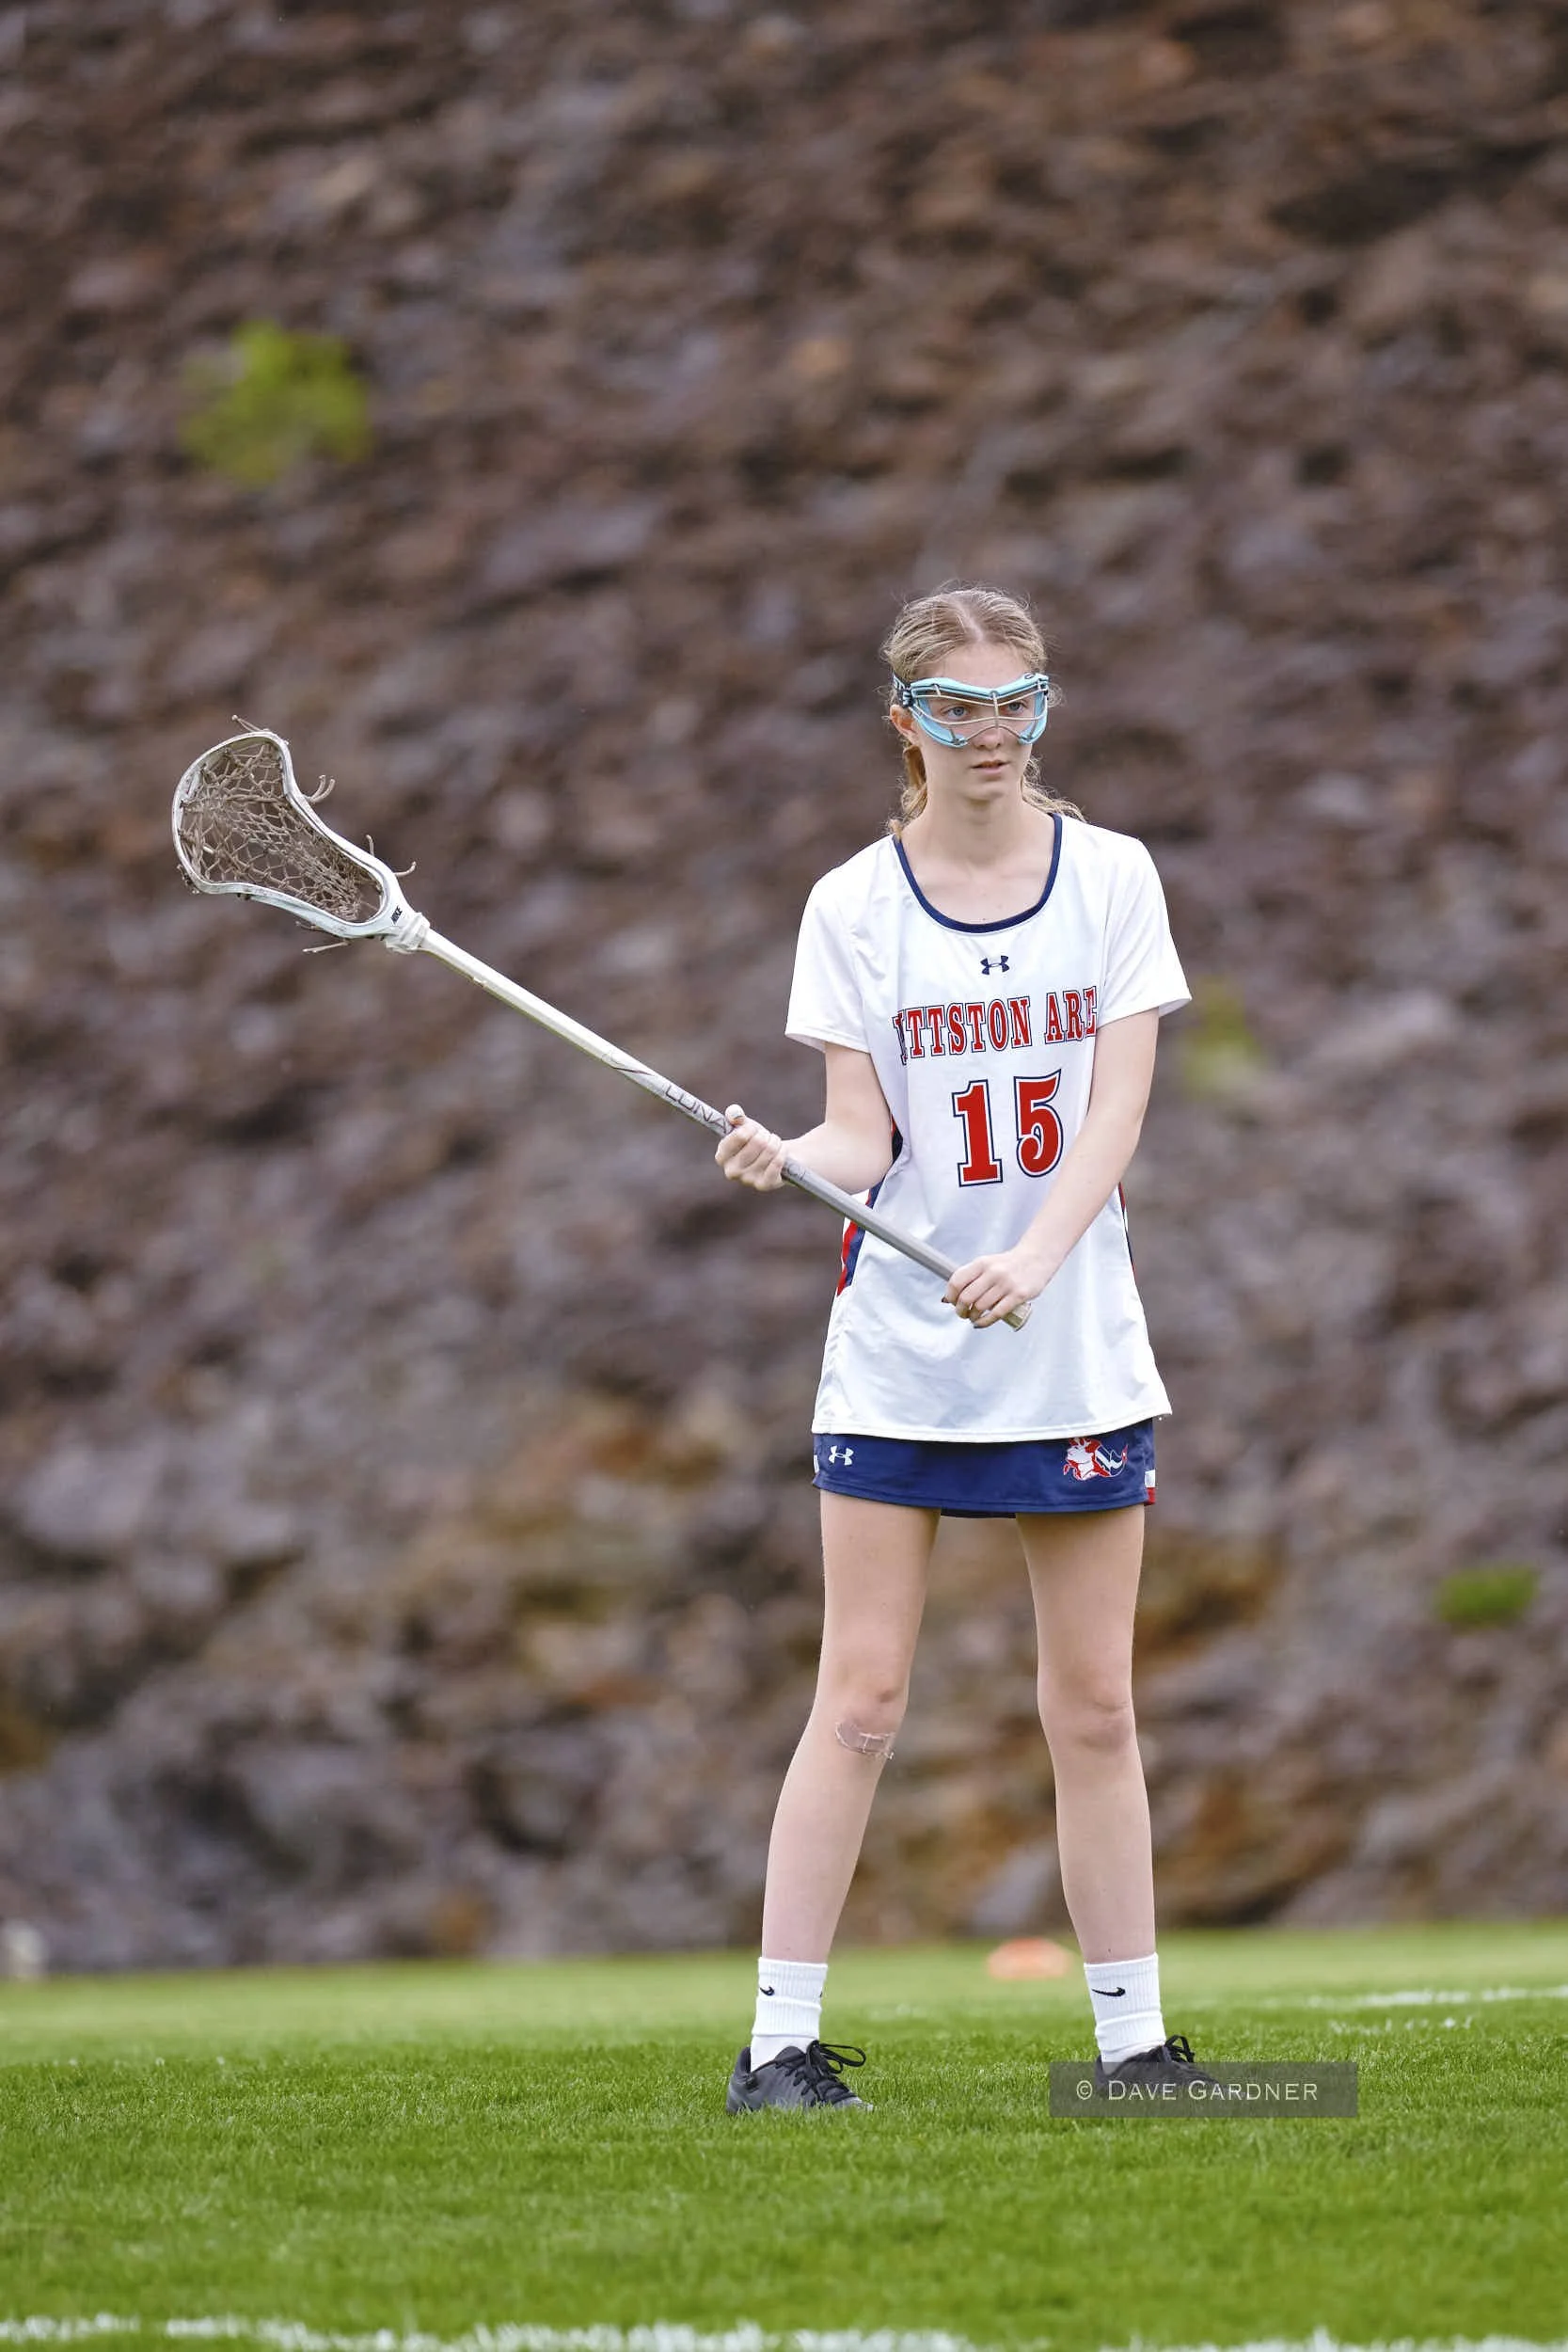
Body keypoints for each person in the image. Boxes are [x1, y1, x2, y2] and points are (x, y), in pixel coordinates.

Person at [715, 583, 1209, 2113]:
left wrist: (1037, 1256)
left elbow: (1118, 1108)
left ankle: (1132, 2053)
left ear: (1041, 712)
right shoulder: (850, 907)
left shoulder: (1111, 877)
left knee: (1094, 1707)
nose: (989, 733)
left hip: (1069, 1343)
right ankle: (775, 2050)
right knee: (860, 1697)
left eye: (1016, 704)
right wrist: (785, 1155)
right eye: (956, 707)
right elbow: (860, 1141)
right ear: (905, 722)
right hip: (903, 1350)